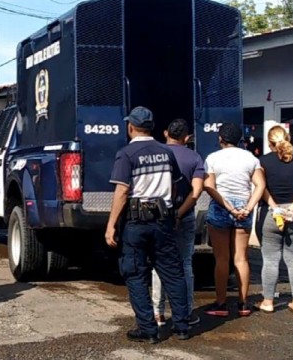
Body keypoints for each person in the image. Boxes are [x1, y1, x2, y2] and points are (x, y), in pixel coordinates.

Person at [105, 106, 189, 344]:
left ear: (130, 127)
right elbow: (174, 186)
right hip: (163, 220)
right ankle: (182, 327)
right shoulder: (166, 152)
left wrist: (111, 225)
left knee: (135, 274)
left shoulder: (126, 154)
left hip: (137, 223)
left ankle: (148, 330)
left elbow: (122, 191)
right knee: (173, 273)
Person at [203, 122, 265, 317]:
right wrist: (247, 207)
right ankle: (244, 303)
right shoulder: (251, 158)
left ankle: (221, 304)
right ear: (240, 139)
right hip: (244, 207)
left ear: (220, 138)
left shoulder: (212, 158)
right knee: (241, 258)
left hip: (221, 206)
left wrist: (228, 206)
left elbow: (209, 186)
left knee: (222, 259)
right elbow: (260, 185)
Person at [152, 119, 204, 327]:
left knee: (159, 264)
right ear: (187, 138)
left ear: (165, 133)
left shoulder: (156, 154)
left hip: (160, 216)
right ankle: (186, 311)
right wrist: (180, 213)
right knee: (185, 263)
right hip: (185, 216)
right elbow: (197, 191)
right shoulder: (195, 158)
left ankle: (158, 312)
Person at [255, 125, 293, 314]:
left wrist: (275, 207)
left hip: (270, 215)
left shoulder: (262, 162)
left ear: (269, 142)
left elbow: (260, 187)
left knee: (270, 260)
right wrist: (292, 208)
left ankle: (268, 301)